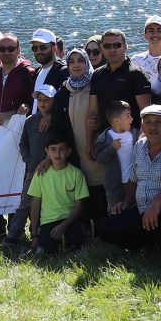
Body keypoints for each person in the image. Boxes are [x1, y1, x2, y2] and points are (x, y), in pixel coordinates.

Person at [99, 105, 161, 256]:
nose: (152, 127)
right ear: (142, 127)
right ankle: (157, 243)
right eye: (148, 122)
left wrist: (156, 204)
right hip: (146, 213)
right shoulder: (139, 146)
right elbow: (134, 178)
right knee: (105, 226)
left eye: (158, 122)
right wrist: (127, 203)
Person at [56, 47, 107, 220]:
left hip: (96, 149)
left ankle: (102, 232)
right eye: (71, 61)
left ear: (87, 62)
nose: (76, 65)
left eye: (80, 60)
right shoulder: (64, 90)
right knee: (81, 192)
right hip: (75, 152)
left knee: (101, 192)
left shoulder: (98, 85)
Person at [10, 84, 64, 246]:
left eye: (47, 100)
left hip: (55, 170)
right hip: (34, 170)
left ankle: (43, 232)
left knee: (50, 203)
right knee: (25, 202)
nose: (42, 103)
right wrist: (28, 159)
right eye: (39, 100)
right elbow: (23, 143)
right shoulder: (31, 121)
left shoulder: (60, 120)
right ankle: (14, 234)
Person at [89, 29, 155, 154]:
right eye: (107, 46)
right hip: (105, 140)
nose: (112, 49)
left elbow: (146, 112)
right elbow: (92, 111)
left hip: (131, 140)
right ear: (102, 48)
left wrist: (145, 142)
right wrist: (89, 143)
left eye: (117, 45)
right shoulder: (97, 75)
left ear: (125, 46)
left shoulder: (137, 74)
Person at [27, 130, 90, 254]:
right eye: (53, 149)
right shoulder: (40, 174)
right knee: (47, 251)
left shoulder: (76, 174)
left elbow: (79, 207)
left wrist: (63, 226)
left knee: (77, 244)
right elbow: (35, 204)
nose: (57, 153)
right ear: (47, 152)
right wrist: (34, 235)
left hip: (70, 220)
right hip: (48, 221)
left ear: (68, 152)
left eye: (61, 149)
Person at [0, 32, 36, 123]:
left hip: (20, 132)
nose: (6, 52)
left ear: (18, 50)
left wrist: (17, 111)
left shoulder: (29, 73)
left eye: (11, 49)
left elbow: (36, 105)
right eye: (2, 49)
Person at [132, 15, 161, 96]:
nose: (155, 34)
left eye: (159, 30)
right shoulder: (136, 60)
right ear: (145, 35)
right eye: (151, 31)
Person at [29, 29, 64, 100]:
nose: (39, 51)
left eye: (43, 47)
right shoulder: (36, 73)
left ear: (54, 48)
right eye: (35, 48)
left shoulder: (63, 72)